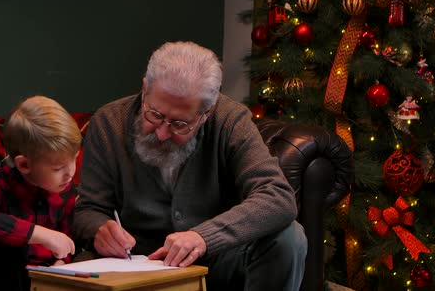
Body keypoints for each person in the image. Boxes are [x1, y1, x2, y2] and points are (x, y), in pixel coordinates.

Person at [74, 41, 308, 290]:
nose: (162, 133)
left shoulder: (229, 120)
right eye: (154, 114)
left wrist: (203, 237)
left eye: (180, 124)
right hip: (134, 263)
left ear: (206, 113)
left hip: (214, 261)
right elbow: (87, 210)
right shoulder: (109, 122)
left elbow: (278, 197)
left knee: (290, 238)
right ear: (144, 88)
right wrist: (99, 229)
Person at [0, 95, 82, 291]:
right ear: (24, 164)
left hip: (40, 275)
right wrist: (38, 234)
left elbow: (65, 238)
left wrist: (62, 261)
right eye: (58, 168)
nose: (71, 172)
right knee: (4, 253)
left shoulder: (65, 190)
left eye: (74, 159)